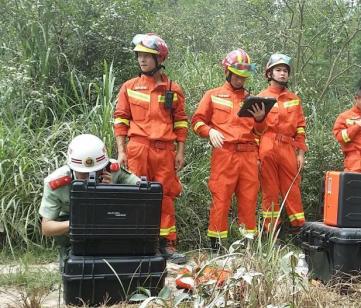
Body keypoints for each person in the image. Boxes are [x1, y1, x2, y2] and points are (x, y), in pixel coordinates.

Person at [113, 33, 188, 264]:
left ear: (159, 59)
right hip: (137, 149)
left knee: (165, 196)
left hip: (164, 151)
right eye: (140, 55)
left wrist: (180, 151)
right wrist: (122, 150)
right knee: (135, 195)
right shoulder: (129, 87)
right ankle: (136, 242)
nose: (142, 60)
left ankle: (167, 245)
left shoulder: (174, 89)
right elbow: (121, 119)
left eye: (148, 56)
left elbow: (181, 122)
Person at [191, 49, 266, 250]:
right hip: (224, 153)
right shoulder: (212, 95)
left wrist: (260, 119)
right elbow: (197, 121)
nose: (240, 79)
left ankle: (248, 244)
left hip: (249, 153)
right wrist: (209, 131)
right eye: (237, 74)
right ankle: (215, 245)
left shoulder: (252, 99)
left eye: (244, 75)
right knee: (220, 197)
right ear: (228, 71)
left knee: (249, 199)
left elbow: (259, 132)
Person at [39, 134, 140, 268]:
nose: (89, 177)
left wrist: (113, 190)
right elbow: (46, 228)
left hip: (109, 231)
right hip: (75, 239)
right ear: (73, 168)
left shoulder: (113, 170)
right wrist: (78, 223)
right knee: (75, 270)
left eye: (96, 172)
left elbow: (143, 193)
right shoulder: (57, 183)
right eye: (83, 174)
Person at [257, 53, 307, 234]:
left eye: (285, 70)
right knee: (269, 190)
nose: (283, 73)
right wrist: (256, 155)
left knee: (292, 188)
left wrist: (300, 154)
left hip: (288, 147)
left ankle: (299, 229)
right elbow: (254, 128)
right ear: (269, 73)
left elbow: (300, 128)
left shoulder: (294, 99)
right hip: (267, 144)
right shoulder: (260, 97)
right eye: (278, 70)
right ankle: (272, 232)